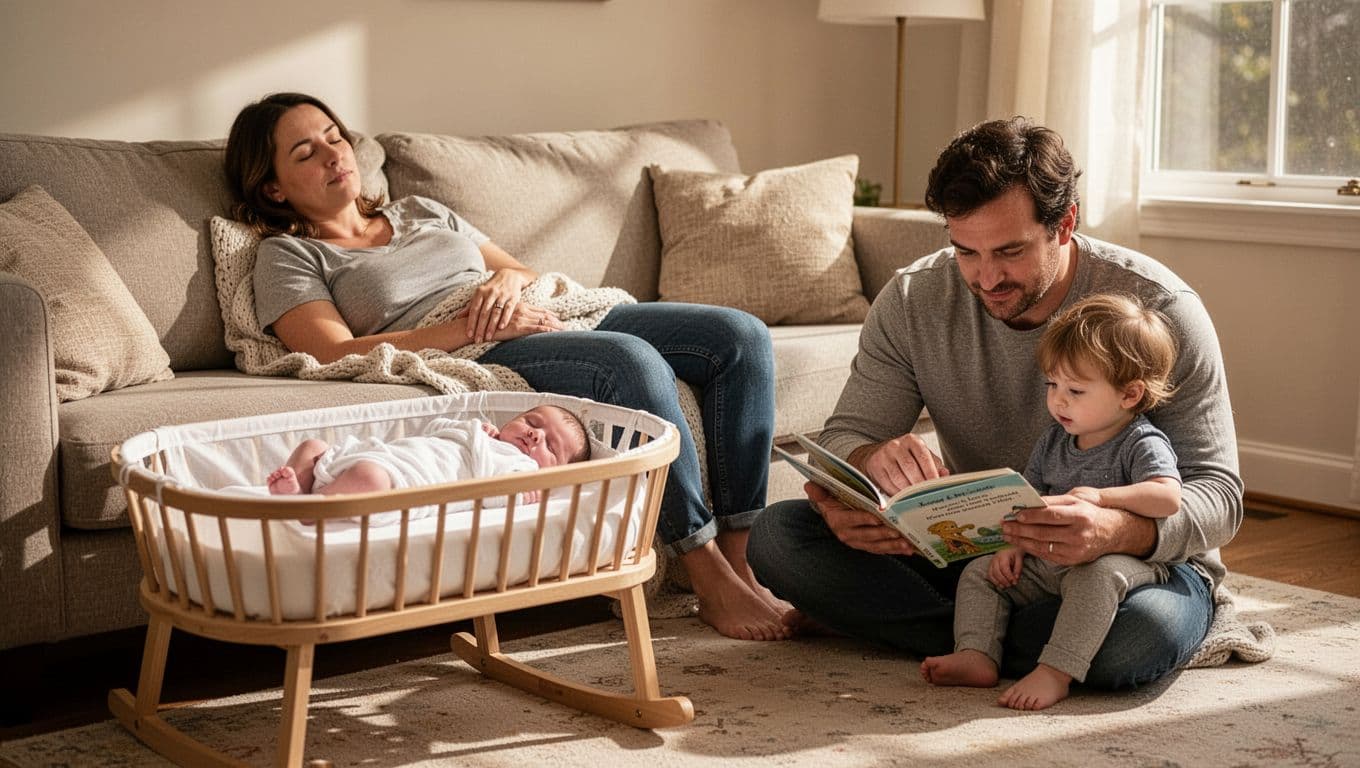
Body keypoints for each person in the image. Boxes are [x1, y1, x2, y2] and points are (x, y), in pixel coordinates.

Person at [225, 93, 787, 640]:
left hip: (539, 309)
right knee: (629, 361)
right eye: (306, 152)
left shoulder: (421, 211)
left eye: (334, 137)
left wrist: (503, 283)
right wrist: (470, 326)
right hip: (472, 345)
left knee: (740, 336)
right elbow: (332, 352)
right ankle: (706, 570)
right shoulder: (289, 254)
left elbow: (516, 268)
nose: (333, 154)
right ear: (272, 187)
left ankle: (744, 559)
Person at [747, 117, 1242, 689]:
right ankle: (1017, 642)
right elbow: (842, 437)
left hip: (1133, 570)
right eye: (965, 252)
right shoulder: (915, 298)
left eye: (1010, 251)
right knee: (780, 538)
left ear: (1065, 224)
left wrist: (1114, 530)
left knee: (1137, 636)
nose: (986, 277)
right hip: (990, 554)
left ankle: (948, 633)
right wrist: (860, 473)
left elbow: (1219, 496)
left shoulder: (1159, 308)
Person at [921, 294, 1182, 710]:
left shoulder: (1141, 441)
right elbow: (1028, 500)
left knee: (1097, 580)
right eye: (1052, 385)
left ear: (1129, 395)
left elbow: (1168, 497)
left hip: (1116, 564)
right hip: (1051, 562)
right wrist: (1013, 546)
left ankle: (1056, 671)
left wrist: (1102, 497)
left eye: (1075, 390)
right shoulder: (1054, 440)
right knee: (980, 572)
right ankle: (977, 654)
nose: (1059, 400)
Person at [267, 404, 590, 497]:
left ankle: (311, 511)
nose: (536, 435)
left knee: (370, 478)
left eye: (550, 445)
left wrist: (524, 493)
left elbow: (493, 496)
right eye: (532, 422)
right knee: (313, 446)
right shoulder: (479, 431)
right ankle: (297, 492)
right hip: (379, 454)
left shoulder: (521, 471)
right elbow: (431, 431)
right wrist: (474, 430)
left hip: (400, 479)